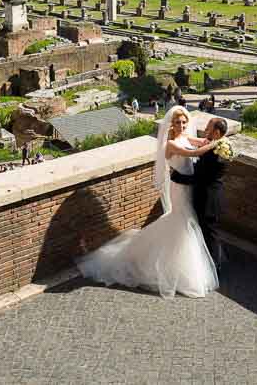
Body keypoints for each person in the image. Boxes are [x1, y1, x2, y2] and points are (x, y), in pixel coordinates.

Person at [77, 106, 220, 298]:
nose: (182, 125)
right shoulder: (171, 144)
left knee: (185, 220)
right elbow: (195, 153)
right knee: (181, 220)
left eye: (184, 122)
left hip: (188, 186)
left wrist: (212, 140)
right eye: (178, 122)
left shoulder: (185, 137)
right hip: (179, 188)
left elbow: (201, 142)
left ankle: (178, 261)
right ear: (172, 124)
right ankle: (169, 263)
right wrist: (219, 142)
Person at [169, 118, 228, 268]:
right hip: (215, 194)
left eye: (208, 126)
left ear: (216, 132)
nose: (205, 128)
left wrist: (177, 176)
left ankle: (215, 267)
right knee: (211, 231)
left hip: (208, 198)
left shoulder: (212, 152)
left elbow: (200, 178)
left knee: (210, 234)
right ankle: (216, 259)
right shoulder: (221, 145)